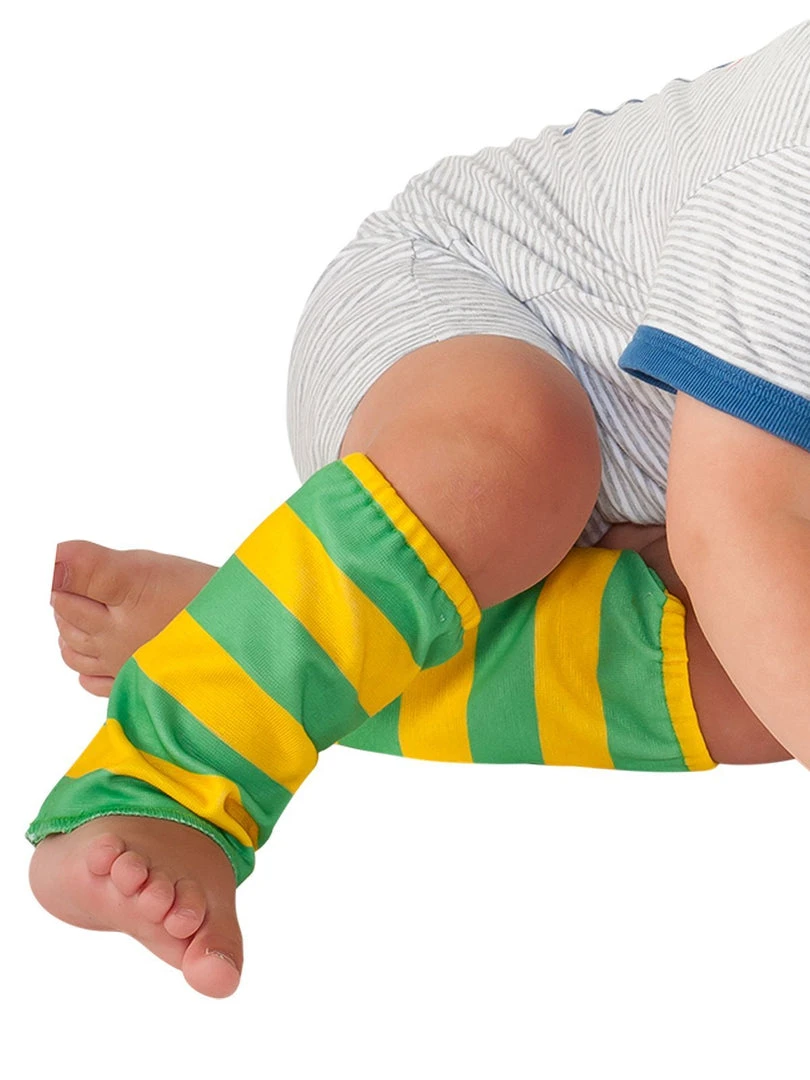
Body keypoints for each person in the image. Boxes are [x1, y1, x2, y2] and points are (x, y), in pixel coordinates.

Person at [28, 20, 810, 999]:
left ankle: (248, 628)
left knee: (758, 694)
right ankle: (160, 781)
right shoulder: (792, 162)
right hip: (463, 315)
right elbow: (738, 523)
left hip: (697, 488)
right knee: (515, 457)